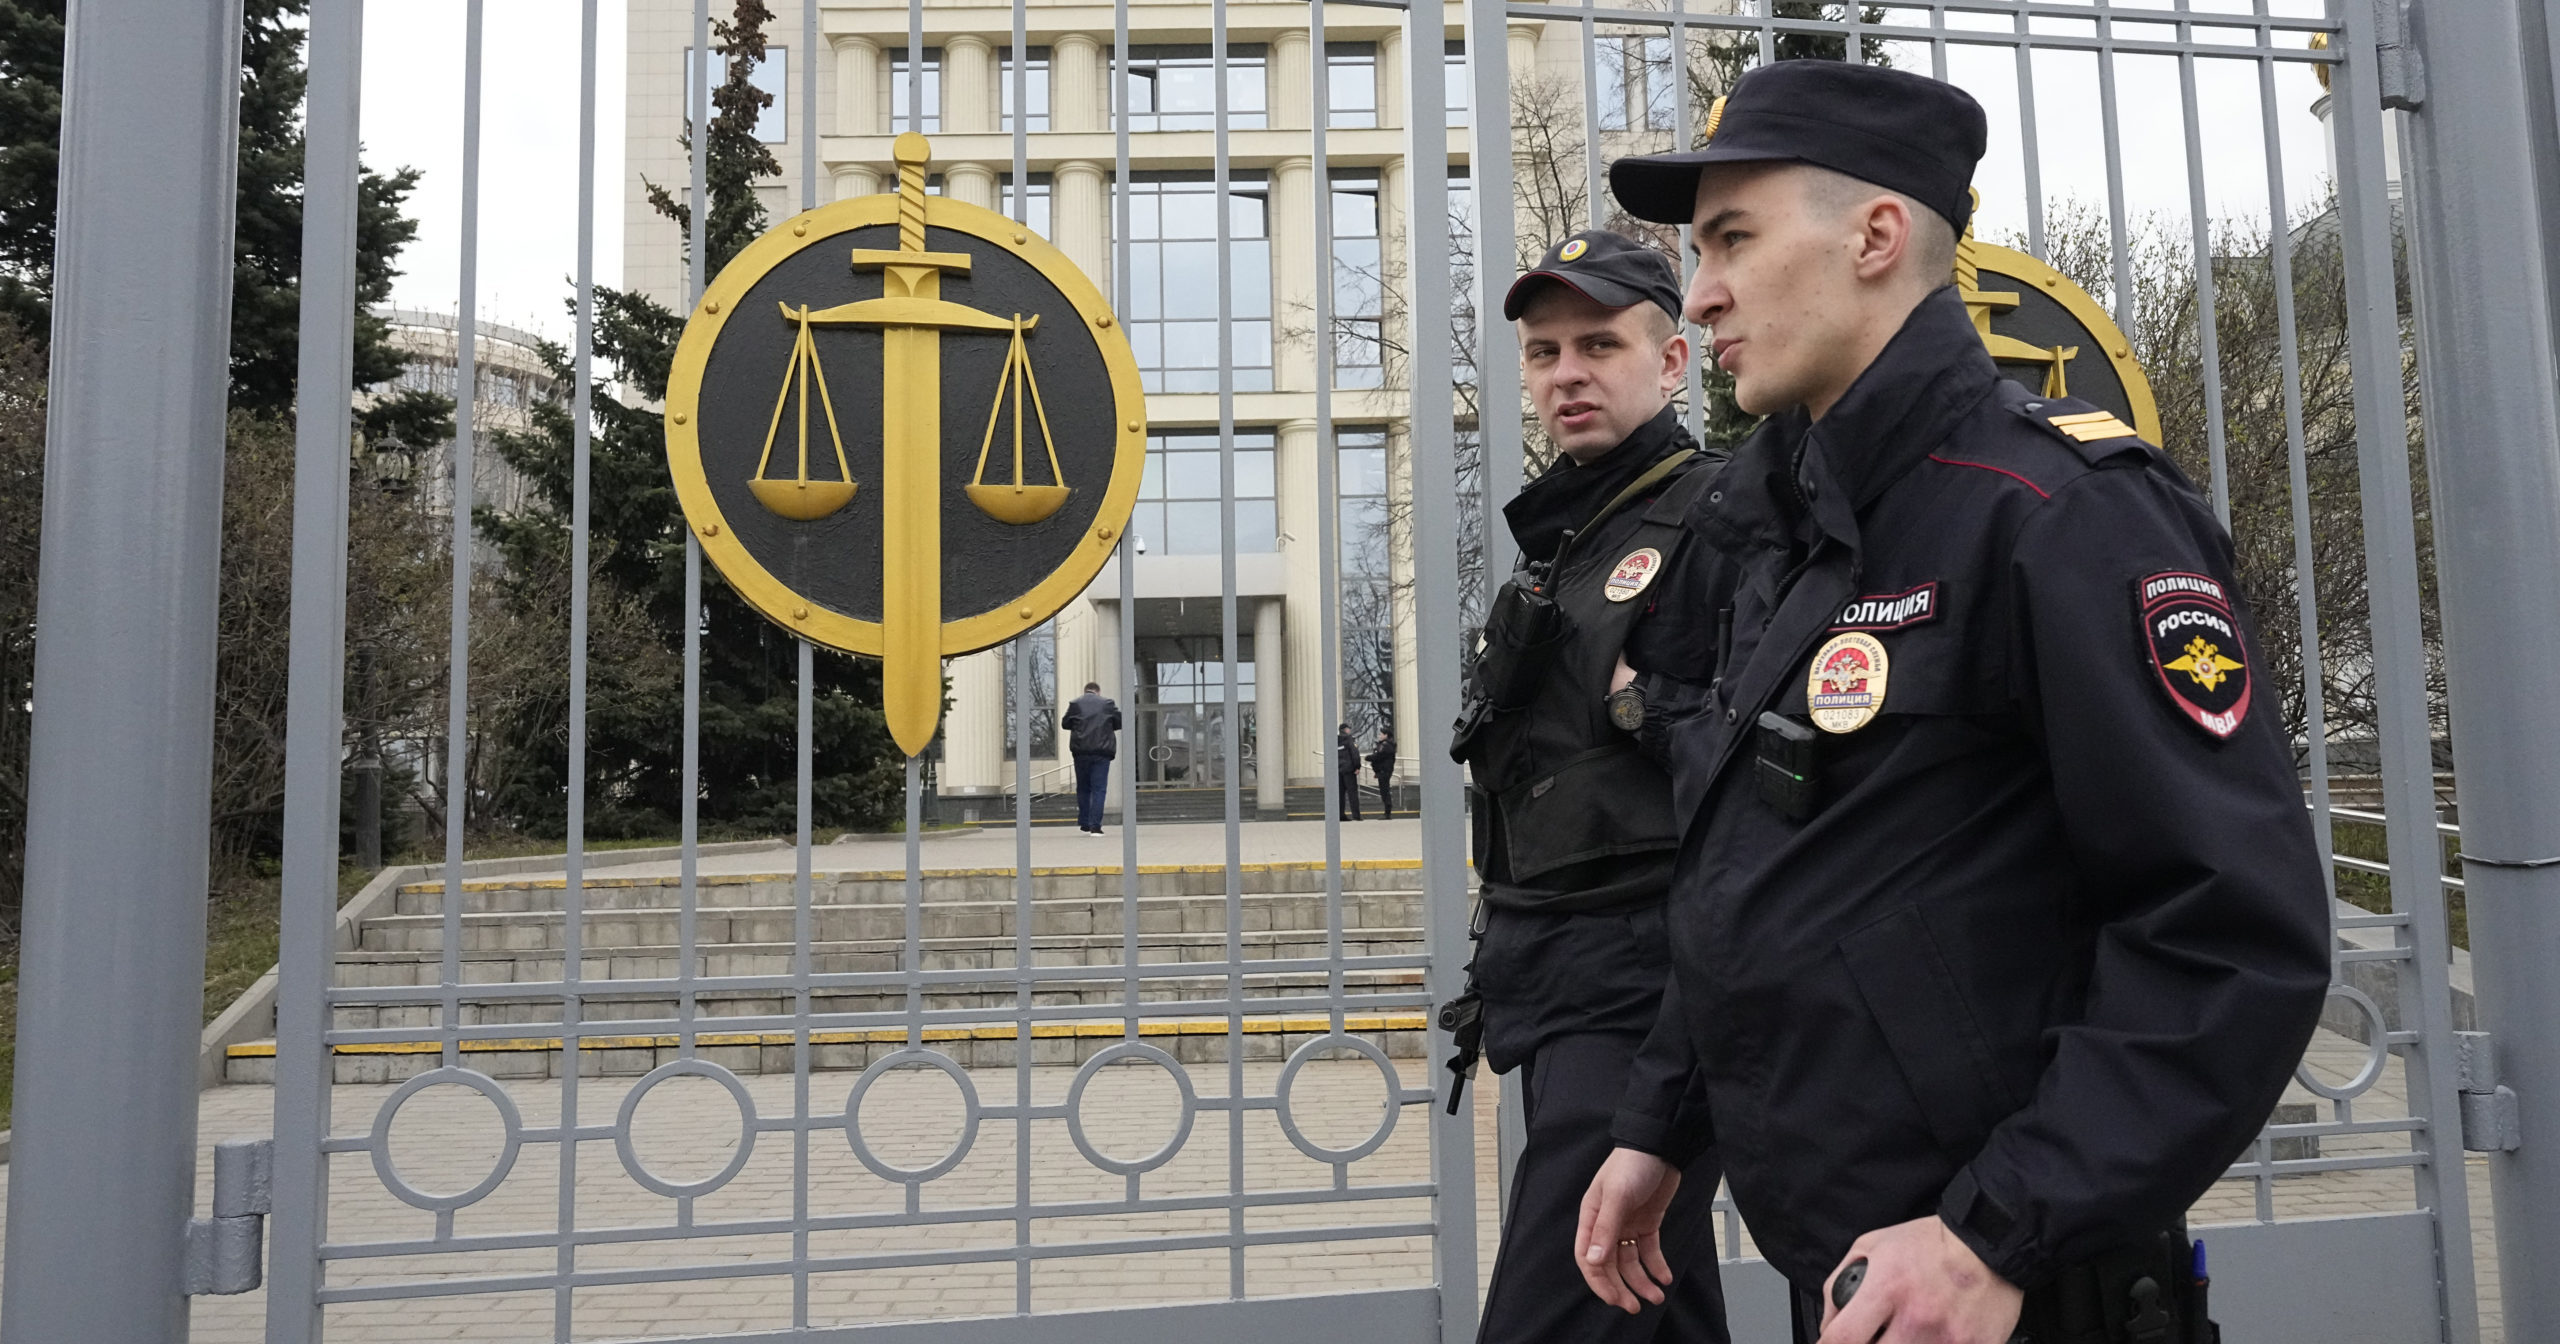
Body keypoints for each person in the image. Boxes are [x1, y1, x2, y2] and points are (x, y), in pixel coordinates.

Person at [1572, 61, 2333, 1344]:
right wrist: (1661, 1117)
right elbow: (1759, 873)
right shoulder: (1786, 527)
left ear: (1875, 237)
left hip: (2019, 1287)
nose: (1697, 295)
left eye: (1731, 242)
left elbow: (2229, 931)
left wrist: (2001, 1226)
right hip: (1868, 1276)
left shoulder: (2058, 515)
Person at [1445, 228, 1732, 1344]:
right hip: (1557, 974)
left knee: (1563, 1298)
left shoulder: (1718, 516)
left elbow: (1775, 743)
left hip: (1646, 986)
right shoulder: (1565, 533)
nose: (1566, 371)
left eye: (1600, 344)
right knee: (1650, 1293)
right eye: (1544, 350)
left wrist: (1638, 705)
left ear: (1671, 363)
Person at [1059, 682, 1120, 835]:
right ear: (1098, 691)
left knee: (1083, 788)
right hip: (1101, 752)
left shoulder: (1075, 704)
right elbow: (1119, 722)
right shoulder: (1107, 703)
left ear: (1085, 691)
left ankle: (1084, 822)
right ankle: (1095, 826)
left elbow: (1065, 724)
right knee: (1099, 789)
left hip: (1081, 752)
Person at [1367, 728, 1398, 820]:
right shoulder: (1384, 745)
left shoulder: (1386, 745)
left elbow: (1380, 756)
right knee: (1383, 791)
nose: (1379, 736)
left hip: (1384, 771)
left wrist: (1369, 757)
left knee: (1385, 791)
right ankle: (1386, 812)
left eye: (1381, 734)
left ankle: (1387, 813)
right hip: (1382, 771)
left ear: (1386, 735)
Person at [1336, 723, 1364, 820]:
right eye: (1349, 729)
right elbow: (1354, 753)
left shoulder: (1335, 740)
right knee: (1352, 793)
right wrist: (1357, 767)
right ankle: (1356, 815)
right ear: (1346, 730)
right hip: (1348, 770)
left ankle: (1340, 815)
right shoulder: (1349, 739)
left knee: (1340, 794)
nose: (1350, 730)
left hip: (1338, 770)